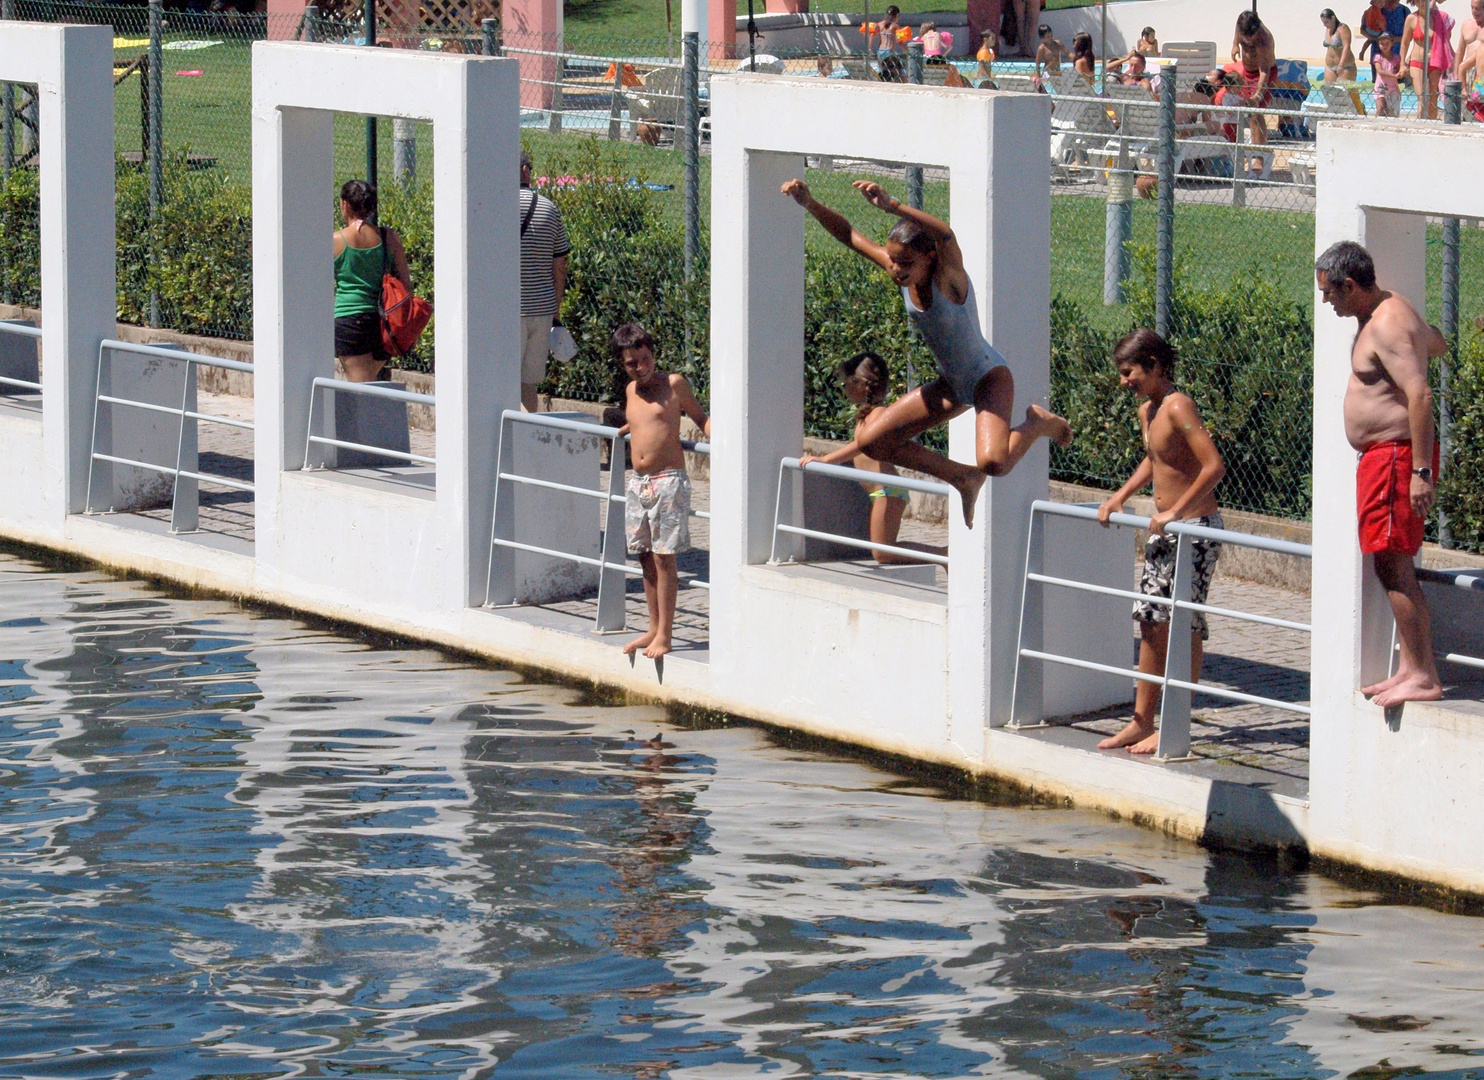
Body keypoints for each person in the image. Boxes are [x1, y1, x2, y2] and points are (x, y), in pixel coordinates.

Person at [780, 178, 1071, 529]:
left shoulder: (949, 279)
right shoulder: (898, 269)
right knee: (873, 442)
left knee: (994, 462)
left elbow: (946, 235)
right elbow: (849, 235)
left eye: (905, 263)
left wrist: (893, 206)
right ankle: (962, 477)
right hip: (952, 384)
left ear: (929, 258)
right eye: (892, 260)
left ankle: (1038, 424)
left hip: (987, 377)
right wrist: (810, 203)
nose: (896, 269)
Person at [1315, 241, 1447, 708]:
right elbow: (1437, 344)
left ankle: (1422, 674)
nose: (1326, 303)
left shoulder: (1386, 324)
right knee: (1388, 561)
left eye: (1330, 294)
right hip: (1386, 458)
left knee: (1392, 562)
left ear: (1349, 284)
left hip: (1395, 459)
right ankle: (1412, 668)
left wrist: (1420, 472)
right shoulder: (1394, 313)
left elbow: (1421, 395)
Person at [1095, 329, 1226, 754]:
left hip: (1195, 530)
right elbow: (1156, 461)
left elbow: (1213, 466)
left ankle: (1164, 721)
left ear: (1153, 365)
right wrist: (1120, 496)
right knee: (1155, 619)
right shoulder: (1147, 412)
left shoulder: (1177, 406)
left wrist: (1176, 511)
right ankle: (1145, 719)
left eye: (1128, 371)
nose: (1123, 381)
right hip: (1167, 534)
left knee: (1176, 621)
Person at [613, 323, 711, 660]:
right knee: (643, 556)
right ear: (622, 365)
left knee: (663, 557)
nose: (640, 367)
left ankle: (666, 635)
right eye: (631, 363)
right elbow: (642, 421)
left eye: (644, 359)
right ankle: (653, 627)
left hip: (668, 480)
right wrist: (625, 429)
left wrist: (721, 439)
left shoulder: (674, 384)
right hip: (638, 483)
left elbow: (699, 417)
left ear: (653, 354)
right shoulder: (630, 391)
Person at [798, 352, 948, 566]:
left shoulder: (879, 414)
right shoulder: (867, 414)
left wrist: (827, 459)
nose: (844, 389)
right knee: (882, 550)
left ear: (860, 384)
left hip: (887, 492)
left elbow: (860, 446)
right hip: (879, 492)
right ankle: (941, 555)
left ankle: (943, 555)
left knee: (882, 553)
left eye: (846, 383)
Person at [333, 179, 411, 384]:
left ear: (345, 204)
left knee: (360, 388)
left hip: (348, 320)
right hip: (383, 323)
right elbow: (406, 285)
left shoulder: (336, 240)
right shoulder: (390, 238)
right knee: (370, 382)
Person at [518, 149, 570, 413]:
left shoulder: (495, 206)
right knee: (528, 384)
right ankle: (527, 439)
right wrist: (556, 307)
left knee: (503, 379)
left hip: (508, 308)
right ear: (525, 171)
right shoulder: (549, 208)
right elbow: (559, 264)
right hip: (542, 308)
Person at [1225, 10, 1278, 147]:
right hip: (1246, 72)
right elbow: (1238, 27)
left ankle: (1257, 154)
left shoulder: (1264, 39)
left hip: (1263, 74)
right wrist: (1235, 44)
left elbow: (1264, 71)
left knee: (1255, 112)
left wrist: (1258, 95)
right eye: (1245, 36)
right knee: (1235, 108)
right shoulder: (1242, 25)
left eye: (1251, 36)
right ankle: (1233, 148)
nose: (1248, 39)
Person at [1403, 0, 1455, 118]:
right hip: (1417, 62)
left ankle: (1432, 125)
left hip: (1434, 62)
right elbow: (1405, 43)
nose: (1421, 2)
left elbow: (1447, 37)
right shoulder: (1411, 19)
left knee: (1433, 98)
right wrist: (1402, 64)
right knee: (1422, 98)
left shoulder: (1439, 18)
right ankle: (1420, 126)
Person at [1320, 8, 1358, 81]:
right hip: (1330, 66)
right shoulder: (1328, 29)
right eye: (1323, 22)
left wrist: (1341, 64)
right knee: (1329, 89)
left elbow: (1346, 46)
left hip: (1345, 66)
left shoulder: (1343, 28)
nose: (1324, 25)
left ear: (1333, 18)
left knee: (1346, 91)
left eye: (1326, 22)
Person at [1374, 32, 1404, 114]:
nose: (1385, 46)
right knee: (1381, 108)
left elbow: (1399, 70)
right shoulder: (1378, 57)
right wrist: (1394, 75)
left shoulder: (1396, 58)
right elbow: (1380, 71)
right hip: (1382, 86)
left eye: (1387, 43)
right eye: (1382, 44)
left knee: (1392, 112)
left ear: (1392, 44)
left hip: (1393, 87)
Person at [874, 6, 906, 82]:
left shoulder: (879, 24)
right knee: (901, 67)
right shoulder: (895, 26)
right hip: (889, 52)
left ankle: (882, 79)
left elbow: (873, 35)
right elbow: (900, 41)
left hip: (880, 51)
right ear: (897, 16)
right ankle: (903, 82)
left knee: (882, 69)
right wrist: (906, 51)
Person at [1455, 0, 1484, 81]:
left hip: (1482, 71)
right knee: (1466, 93)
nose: (1473, 11)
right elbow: (1460, 51)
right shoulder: (1466, 25)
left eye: (1477, 8)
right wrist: (1456, 74)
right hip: (1467, 71)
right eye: (1472, 7)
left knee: (1479, 92)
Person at [1360, 0, 1388, 78]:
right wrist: (1384, 30)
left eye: (1383, 2)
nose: (1382, 4)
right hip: (1375, 31)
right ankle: (1362, 53)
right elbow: (1379, 22)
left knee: (1369, 41)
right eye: (1380, 2)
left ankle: (1362, 52)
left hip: (1370, 30)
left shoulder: (1370, 10)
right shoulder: (1376, 11)